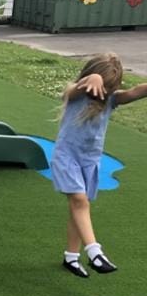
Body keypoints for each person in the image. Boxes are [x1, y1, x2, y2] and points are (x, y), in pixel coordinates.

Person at [52, 52, 147, 278]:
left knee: (78, 208)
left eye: (110, 88)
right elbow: (72, 89)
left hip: (90, 161)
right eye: (104, 86)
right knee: (79, 201)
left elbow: (137, 91)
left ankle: (71, 257)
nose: (105, 93)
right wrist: (92, 77)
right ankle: (95, 252)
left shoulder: (112, 99)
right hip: (67, 157)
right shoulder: (76, 94)